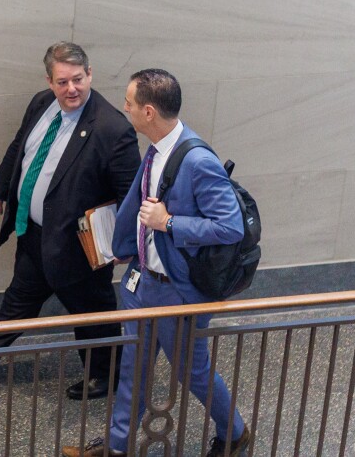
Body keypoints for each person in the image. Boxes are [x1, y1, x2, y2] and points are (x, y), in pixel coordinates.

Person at [62, 68, 250, 456]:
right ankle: (117, 447)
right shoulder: (156, 149)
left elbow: (229, 227)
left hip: (178, 291)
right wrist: (125, 246)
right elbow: (139, 205)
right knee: (132, 368)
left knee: (191, 372)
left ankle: (234, 432)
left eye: (129, 103)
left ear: (148, 112)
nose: (124, 108)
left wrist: (168, 222)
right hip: (143, 281)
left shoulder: (197, 161)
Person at [0, 41, 140, 399]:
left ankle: (106, 376)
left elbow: (130, 193)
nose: (72, 89)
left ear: (90, 74)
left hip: (77, 246)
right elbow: (20, 148)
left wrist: (126, 243)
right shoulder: (40, 104)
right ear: (49, 81)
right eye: (62, 82)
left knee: (91, 311)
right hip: (33, 232)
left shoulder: (112, 130)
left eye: (78, 79)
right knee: (20, 297)